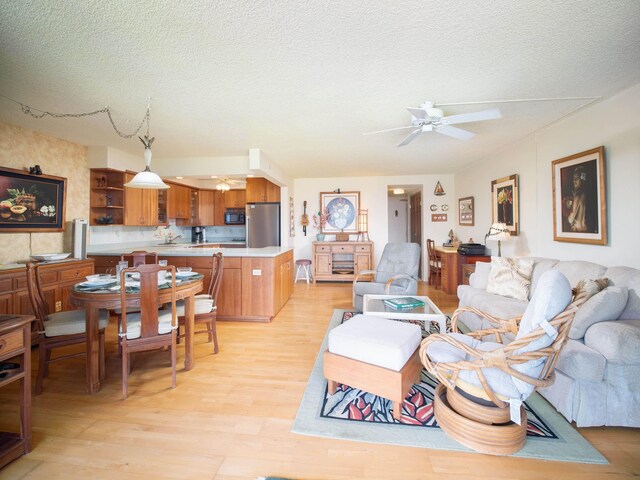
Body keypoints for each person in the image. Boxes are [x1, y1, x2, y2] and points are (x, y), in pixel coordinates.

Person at [566, 166, 588, 232]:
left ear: (581, 179)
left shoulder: (578, 195)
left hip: (577, 230)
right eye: (573, 178)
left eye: (577, 178)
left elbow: (571, 220)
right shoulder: (584, 194)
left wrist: (568, 210)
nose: (574, 181)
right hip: (583, 229)